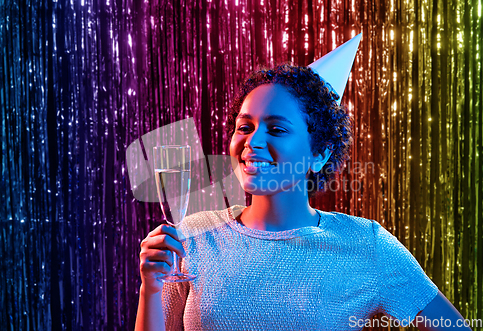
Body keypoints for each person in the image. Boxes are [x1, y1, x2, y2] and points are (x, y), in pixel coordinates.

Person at [135, 36, 471, 331]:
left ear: (319, 154)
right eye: (245, 126)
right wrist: (150, 287)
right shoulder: (190, 237)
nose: (252, 141)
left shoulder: (366, 245)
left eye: (277, 129)